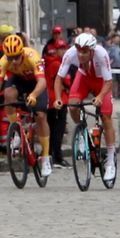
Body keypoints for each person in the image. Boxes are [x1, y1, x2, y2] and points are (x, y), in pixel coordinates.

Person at [53, 33, 116, 181]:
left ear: (92, 51)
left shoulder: (101, 54)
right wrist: (57, 98)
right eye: (79, 51)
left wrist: (100, 97)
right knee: (73, 106)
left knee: (106, 117)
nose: (81, 55)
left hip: (102, 82)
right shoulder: (70, 54)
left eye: (85, 52)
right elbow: (59, 78)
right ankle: (82, 133)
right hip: (84, 78)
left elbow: (109, 82)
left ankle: (110, 160)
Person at [0, 34, 51, 177]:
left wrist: (33, 95)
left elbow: (42, 82)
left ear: (22, 52)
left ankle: (46, 157)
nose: (14, 61)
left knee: (41, 116)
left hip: (36, 82)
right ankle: (15, 129)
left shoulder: (32, 56)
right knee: (8, 94)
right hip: (19, 80)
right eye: (10, 58)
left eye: (16, 57)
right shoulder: (4, 61)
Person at [43, 26, 70, 168]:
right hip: (58, 100)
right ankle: (57, 157)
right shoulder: (56, 64)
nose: (63, 51)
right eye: (61, 49)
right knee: (58, 130)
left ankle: (52, 155)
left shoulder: (52, 62)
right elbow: (65, 82)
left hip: (52, 100)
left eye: (64, 48)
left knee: (53, 129)